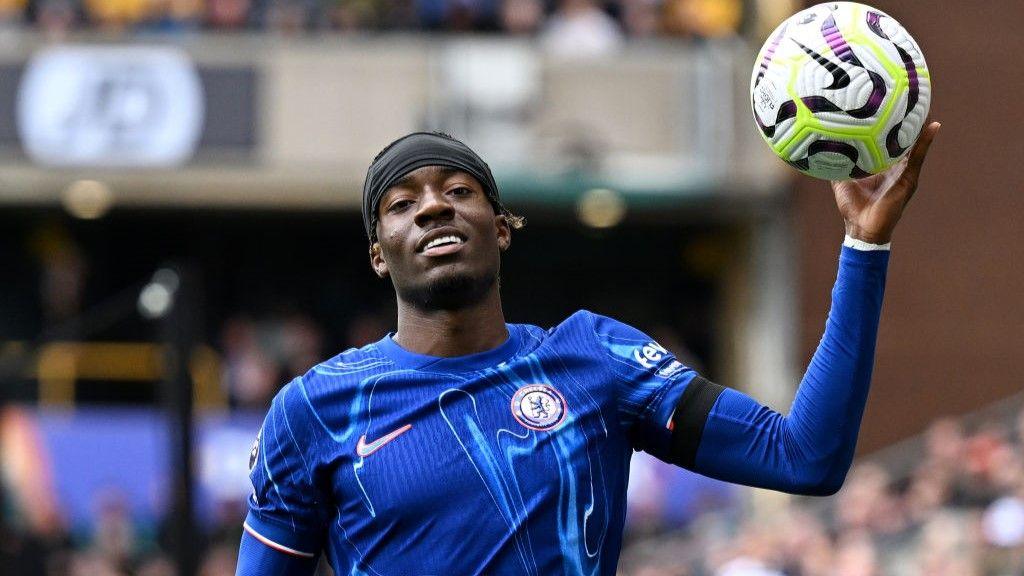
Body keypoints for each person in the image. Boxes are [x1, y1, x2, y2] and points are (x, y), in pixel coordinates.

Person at [236, 124, 941, 575]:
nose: (432, 207)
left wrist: (865, 246)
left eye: (458, 190)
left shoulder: (594, 358)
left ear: (502, 227)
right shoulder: (313, 408)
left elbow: (805, 456)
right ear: (379, 256)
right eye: (401, 203)